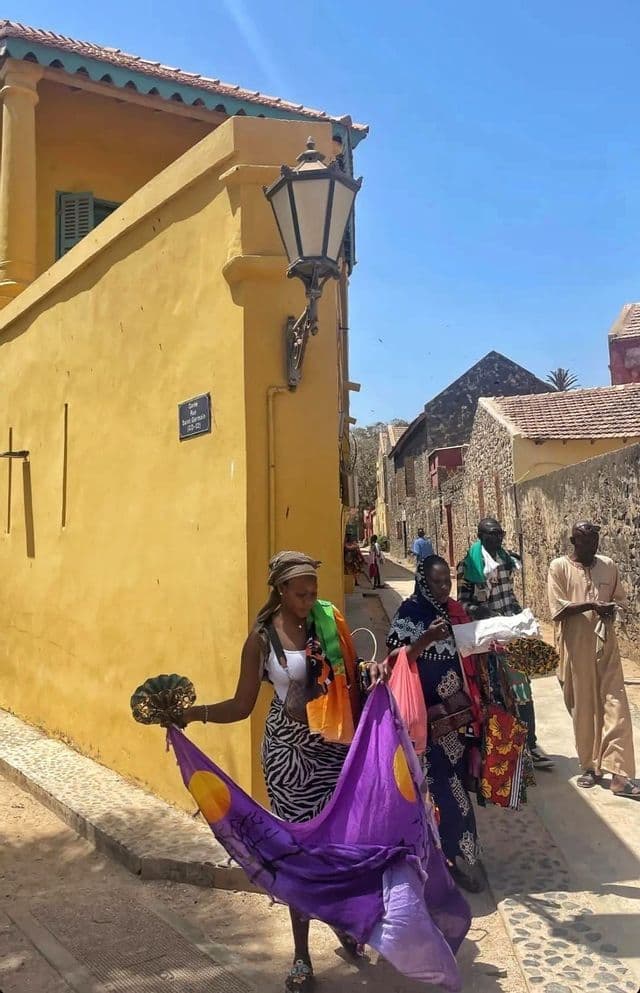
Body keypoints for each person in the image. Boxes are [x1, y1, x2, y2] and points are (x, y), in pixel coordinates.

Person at [175, 551, 392, 991]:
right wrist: (194, 714)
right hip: (288, 757)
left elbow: (347, 676)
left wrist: (368, 670)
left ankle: (341, 919)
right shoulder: (260, 640)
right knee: (299, 853)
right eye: (301, 594)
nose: (310, 601)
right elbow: (241, 706)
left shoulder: (327, 622)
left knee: (339, 843)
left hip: (332, 748)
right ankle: (301, 956)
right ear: (281, 591)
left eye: (313, 592)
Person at [387, 555, 486, 893]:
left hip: (455, 723)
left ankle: (460, 857)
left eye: (448, 581)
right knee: (429, 794)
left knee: (456, 788)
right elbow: (393, 661)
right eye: (437, 582)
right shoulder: (410, 613)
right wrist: (425, 640)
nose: (444, 588)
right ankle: (433, 864)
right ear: (423, 582)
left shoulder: (454, 612)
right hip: (423, 724)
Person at [548, 523, 639, 799]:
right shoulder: (559, 568)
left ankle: (620, 776)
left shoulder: (608, 566)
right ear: (573, 541)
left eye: (595, 541)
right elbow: (558, 610)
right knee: (584, 708)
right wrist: (591, 605)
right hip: (575, 650)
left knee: (616, 704)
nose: (593, 547)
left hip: (606, 647)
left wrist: (611, 611)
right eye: (586, 542)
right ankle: (590, 767)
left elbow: (620, 601)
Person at [457, 517, 553, 771]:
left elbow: (509, 596)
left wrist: (520, 619)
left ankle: (530, 745)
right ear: (481, 535)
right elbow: (462, 603)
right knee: (493, 694)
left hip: (510, 633)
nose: (498, 537)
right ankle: (500, 750)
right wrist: (480, 610)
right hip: (487, 640)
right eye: (492, 533)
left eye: (500, 533)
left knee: (522, 690)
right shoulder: (469, 566)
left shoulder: (507, 561)